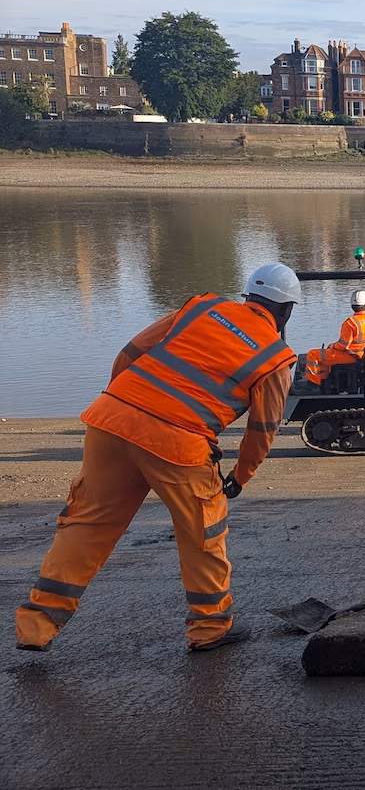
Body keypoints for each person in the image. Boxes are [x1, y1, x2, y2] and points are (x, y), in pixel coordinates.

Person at [15, 263, 301, 653]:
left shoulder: (200, 308)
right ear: (286, 311)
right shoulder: (276, 356)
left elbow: (130, 353)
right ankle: (210, 627)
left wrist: (121, 403)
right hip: (178, 445)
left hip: (110, 420)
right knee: (203, 532)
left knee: (86, 524)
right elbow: (263, 427)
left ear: (248, 294)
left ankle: (36, 625)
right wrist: (241, 474)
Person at [304, 289, 365, 386]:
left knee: (313, 354)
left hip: (351, 357)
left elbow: (342, 346)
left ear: (352, 306)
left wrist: (332, 346)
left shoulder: (351, 323)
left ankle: (314, 385)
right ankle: (325, 380)